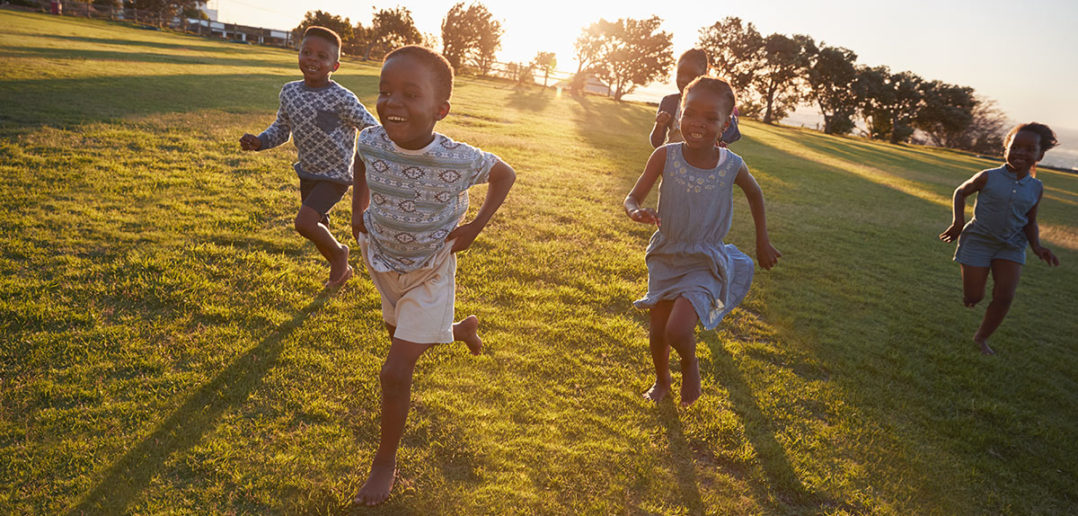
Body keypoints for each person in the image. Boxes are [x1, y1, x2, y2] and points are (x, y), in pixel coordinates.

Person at [350, 45, 516, 505]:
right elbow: (361, 161)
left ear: (440, 109)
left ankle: (384, 463)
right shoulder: (371, 139)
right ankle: (459, 331)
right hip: (383, 261)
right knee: (401, 339)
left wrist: (474, 228)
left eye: (409, 93)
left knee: (394, 371)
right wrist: (356, 205)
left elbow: (506, 174)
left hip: (431, 270)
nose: (392, 103)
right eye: (385, 92)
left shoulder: (459, 158)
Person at [626, 76, 780, 408]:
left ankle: (690, 364)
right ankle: (662, 380)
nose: (698, 124)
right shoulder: (665, 156)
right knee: (657, 331)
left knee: (678, 330)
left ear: (726, 124)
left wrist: (762, 242)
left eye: (711, 119)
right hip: (666, 254)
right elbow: (632, 197)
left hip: (705, 259)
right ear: (681, 112)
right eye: (691, 113)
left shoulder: (731, 166)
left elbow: (755, 194)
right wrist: (635, 210)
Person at [239, 26, 377, 289]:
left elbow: (370, 127)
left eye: (322, 56)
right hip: (308, 173)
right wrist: (259, 141)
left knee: (304, 223)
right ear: (298, 54)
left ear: (334, 65)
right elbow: (282, 128)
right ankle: (340, 270)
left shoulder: (342, 98)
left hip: (335, 176)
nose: (312, 59)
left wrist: (388, 151)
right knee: (317, 229)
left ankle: (339, 256)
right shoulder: (289, 92)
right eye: (307, 52)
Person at [939, 122, 1060, 355]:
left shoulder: (1036, 187)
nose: (1021, 153)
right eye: (1015, 147)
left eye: (1029, 149)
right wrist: (958, 222)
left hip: (1011, 245)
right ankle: (972, 296)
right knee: (974, 296)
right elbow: (960, 192)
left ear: (1040, 155)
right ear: (1006, 148)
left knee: (1005, 296)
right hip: (978, 241)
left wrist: (1036, 246)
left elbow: (1030, 221)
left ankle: (981, 338)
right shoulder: (988, 176)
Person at [650, 48, 741, 149]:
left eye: (692, 75)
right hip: (673, 161)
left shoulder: (716, 105)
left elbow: (732, 135)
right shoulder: (669, 102)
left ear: (704, 75)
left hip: (705, 162)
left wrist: (716, 125)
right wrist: (659, 125)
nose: (684, 79)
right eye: (680, 73)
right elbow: (656, 143)